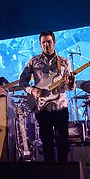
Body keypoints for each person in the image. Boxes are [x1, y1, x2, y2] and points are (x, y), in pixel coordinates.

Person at [19, 31, 75, 162]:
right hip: (42, 107)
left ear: (54, 42)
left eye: (49, 42)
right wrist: (32, 90)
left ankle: (63, 173)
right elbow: (23, 81)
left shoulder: (65, 62)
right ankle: (51, 174)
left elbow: (69, 87)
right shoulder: (33, 61)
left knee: (63, 143)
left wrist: (71, 83)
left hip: (60, 106)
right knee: (47, 143)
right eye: (43, 42)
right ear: (40, 44)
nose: (46, 45)